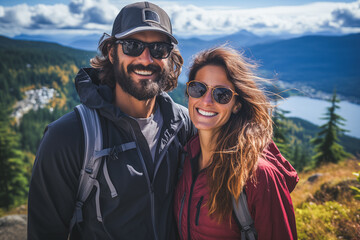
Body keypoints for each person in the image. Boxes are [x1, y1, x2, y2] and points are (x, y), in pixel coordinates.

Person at [28, 2, 195, 240]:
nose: (146, 59)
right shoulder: (69, 136)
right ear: (111, 52)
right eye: (132, 46)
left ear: (170, 57)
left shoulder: (184, 125)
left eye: (159, 48)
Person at [174, 46, 299, 240]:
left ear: (237, 105)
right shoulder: (185, 158)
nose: (206, 101)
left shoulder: (258, 176)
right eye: (198, 88)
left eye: (221, 94)